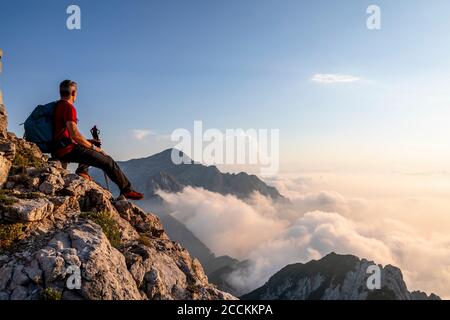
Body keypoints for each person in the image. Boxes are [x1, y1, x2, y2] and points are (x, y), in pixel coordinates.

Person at [52, 80, 144, 200]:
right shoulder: (69, 108)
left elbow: (67, 134)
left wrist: (90, 142)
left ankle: (82, 171)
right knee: (108, 161)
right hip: (67, 150)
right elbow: (75, 135)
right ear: (73, 92)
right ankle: (126, 190)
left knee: (90, 144)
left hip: (58, 147)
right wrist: (95, 148)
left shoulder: (57, 106)